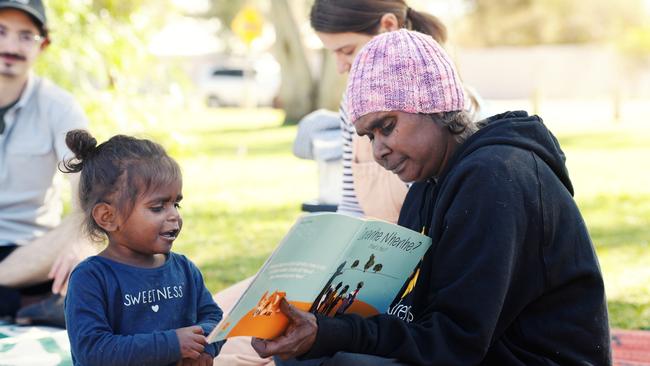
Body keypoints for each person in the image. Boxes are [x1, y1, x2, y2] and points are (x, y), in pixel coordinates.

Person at [250, 29, 611, 365]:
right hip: (473, 350)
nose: (378, 151)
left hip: (522, 357)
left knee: (328, 356)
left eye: (386, 127)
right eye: (369, 136)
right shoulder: (428, 184)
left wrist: (334, 333)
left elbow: (457, 342)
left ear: (435, 105)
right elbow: (410, 312)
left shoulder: (495, 176)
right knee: (306, 352)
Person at [310, 0, 484, 223]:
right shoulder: (349, 103)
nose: (340, 66)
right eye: (370, 136)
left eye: (347, 50)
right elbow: (351, 204)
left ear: (389, 25)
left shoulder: (451, 103)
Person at [62, 130, 223, 365]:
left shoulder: (184, 269)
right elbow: (94, 350)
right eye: (158, 207)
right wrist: (173, 345)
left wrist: (205, 348)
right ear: (108, 216)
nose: (174, 216)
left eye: (176, 204)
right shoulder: (91, 278)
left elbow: (214, 317)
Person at [0, 0, 93, 327]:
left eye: (26, 36)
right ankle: (29, 303)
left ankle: (28, 298)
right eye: (1, 32)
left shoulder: (61, 107)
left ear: (44, 45)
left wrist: (82, 238)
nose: (10, 47)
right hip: (23, 281)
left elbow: (88, 187)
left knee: (91, 219)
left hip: (31, 253)